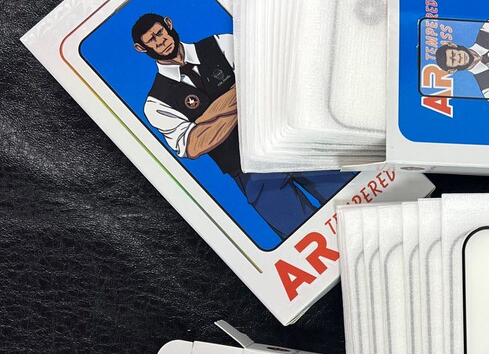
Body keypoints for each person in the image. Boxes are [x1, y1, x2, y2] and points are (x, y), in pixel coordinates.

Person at [132, 13, 353, 240]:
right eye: (151, 40)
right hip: (249, 174)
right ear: (141, 48)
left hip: (289, 140)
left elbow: (263, 79)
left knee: (356, 200)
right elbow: (194, 145)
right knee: (306, 237)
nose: (160, 41)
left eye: (160, 33)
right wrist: (241, 93)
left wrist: (205, 119)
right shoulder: (156, 103)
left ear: (169, 24)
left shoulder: (222, 43)